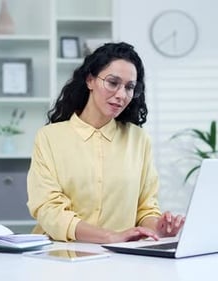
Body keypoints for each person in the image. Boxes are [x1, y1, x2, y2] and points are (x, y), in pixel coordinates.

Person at [26, 42, 184, 243]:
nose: (121, 95)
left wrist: (158, 229)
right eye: (112, 83)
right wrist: (110, 236)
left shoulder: (138, 139)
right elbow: (48, 209)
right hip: (60, 257)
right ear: (90, 80)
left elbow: (145, 208)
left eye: (129, 87)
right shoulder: (49, 137)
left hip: (119, 258)